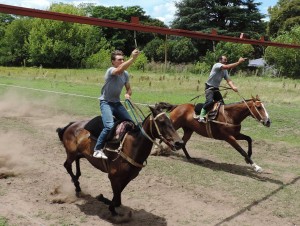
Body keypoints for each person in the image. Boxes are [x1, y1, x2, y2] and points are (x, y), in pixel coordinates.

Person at [93, 49, 140, 158]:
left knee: (131, 124)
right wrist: (132, 58)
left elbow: (129, 89)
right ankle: (97, 149)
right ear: (113, 62)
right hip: (106, 103)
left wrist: (128, 94)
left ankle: (125, 145)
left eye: (123, 59)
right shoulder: (111, 70)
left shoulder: (126, 74)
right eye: (119, 60)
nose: (122, 61)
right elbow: (119, 70)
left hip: (117, 104)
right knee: (109, 126)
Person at [198, 55, 246, 122]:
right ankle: (201, 116)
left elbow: (228, 80)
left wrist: (233, 87)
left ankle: (217, 117)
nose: (226, 61)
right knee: (209, 101)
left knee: (222, 104)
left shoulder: (225, 71)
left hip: (216, 89)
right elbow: (227, 66)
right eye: (225, 60)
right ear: (220, 60)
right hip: (209, 88)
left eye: (226, 60)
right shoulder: (217, 65)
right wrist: (238, 62)